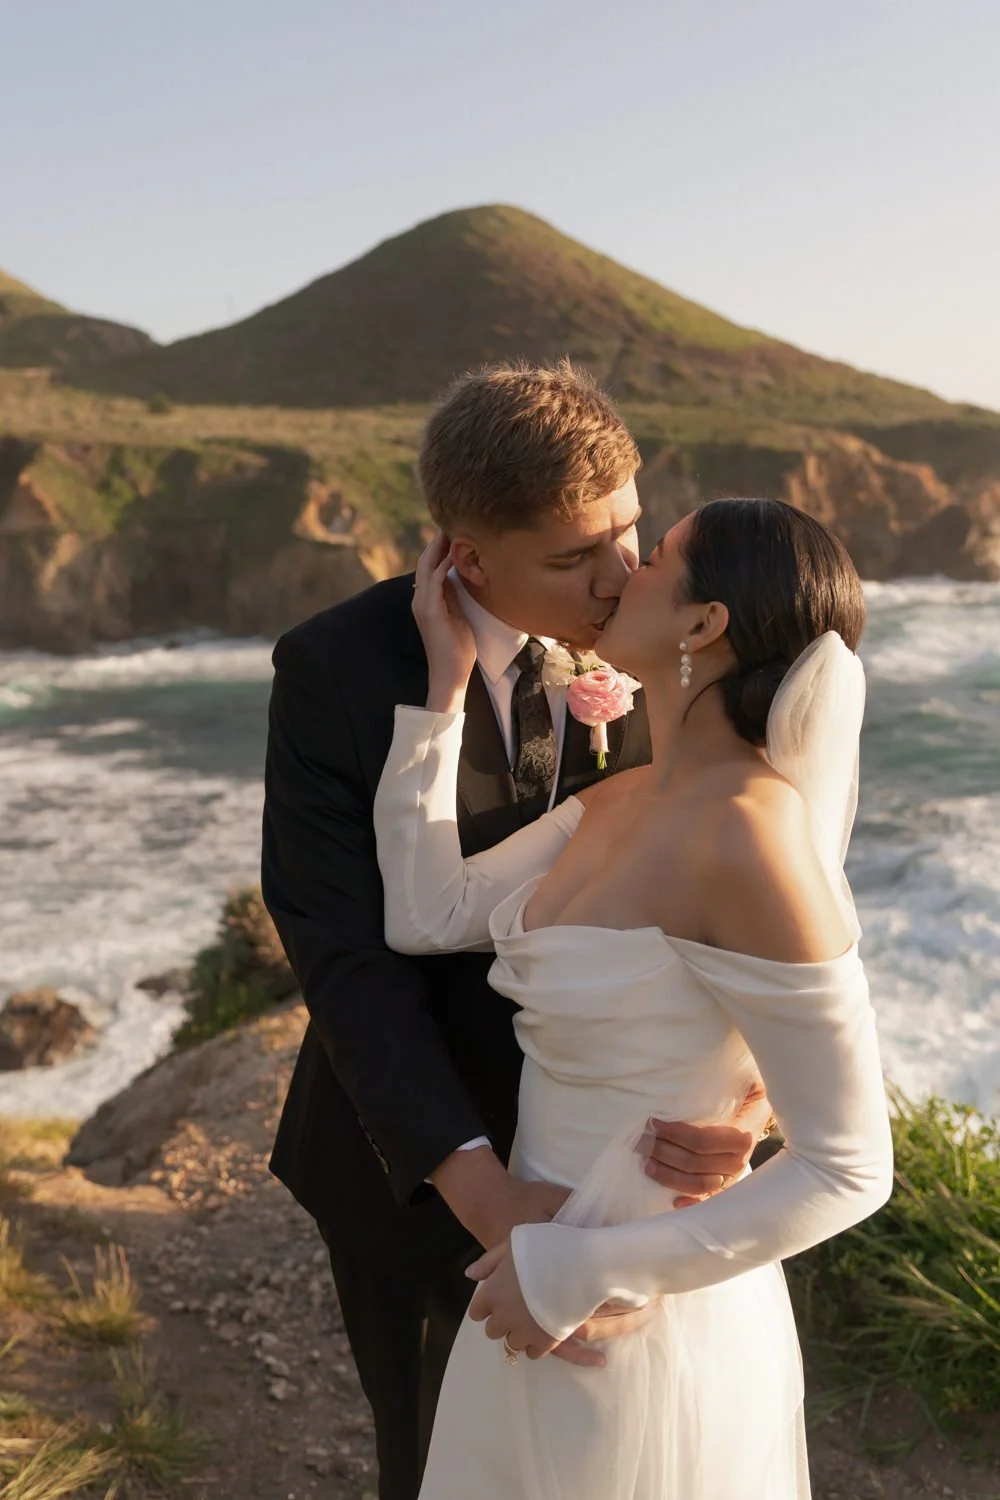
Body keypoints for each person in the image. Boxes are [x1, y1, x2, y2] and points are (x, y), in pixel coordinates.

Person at [261, 363, 767, 1500]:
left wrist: (754, 1102)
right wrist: (481, 1193)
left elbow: (745, 877)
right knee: (438, 1455)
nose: (619, 575)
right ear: (467, 556)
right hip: (422, 1151)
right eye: (573, 555)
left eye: (629, 531)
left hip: (615, 1157)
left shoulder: (658, 640)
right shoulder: (333, 668)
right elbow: (346, 957)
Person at [372, 495, 894, 1499]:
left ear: (702, 625)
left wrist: (579, 1274)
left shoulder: (748, 834)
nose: (620, 566)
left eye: (653, 556)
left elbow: (850, 1169)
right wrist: (443, 688)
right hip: (529, 1259)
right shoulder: (620, 798)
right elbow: (426, 912)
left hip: (634, 1296)